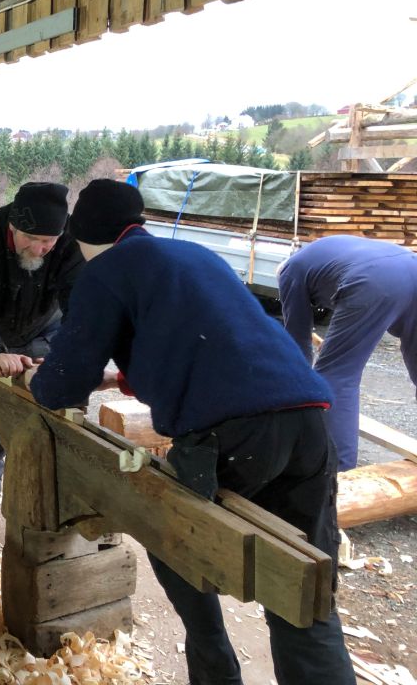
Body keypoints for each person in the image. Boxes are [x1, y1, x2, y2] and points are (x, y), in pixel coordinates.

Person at [27, 179, 353, 685]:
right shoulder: (192, 255)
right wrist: (118, 379)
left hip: (235, 433)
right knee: (302, 585)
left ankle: (215, 670)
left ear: (82, 237)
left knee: (170, 534)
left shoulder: (106, 270)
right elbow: (213, 343)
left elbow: (61, 384)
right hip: (308, 419)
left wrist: (37, 379)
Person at [0, 181, 82, 512]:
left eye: (47, 241)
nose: (39, 248)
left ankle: (60, 482)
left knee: (58, 399)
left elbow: (81, 304)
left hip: (44, 328)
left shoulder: (71, 239)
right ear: (12, 225)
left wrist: (71, 355)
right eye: (30, 238)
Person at [278, 234, 417, 471]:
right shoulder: (324, 254)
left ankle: (340, 470)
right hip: (410, 267)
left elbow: (297, 341)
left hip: (374, 280)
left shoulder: (289, 273)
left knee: (337, 375)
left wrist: (300, 389)